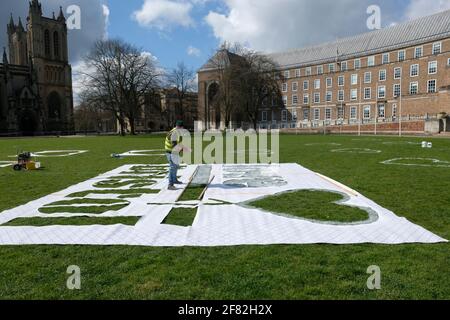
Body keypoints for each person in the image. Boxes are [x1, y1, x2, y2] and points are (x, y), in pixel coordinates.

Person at [165, 120, 184, 190]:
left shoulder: (176, 131)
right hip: (171, 153)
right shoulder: (174, 133)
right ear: (180, 127)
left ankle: (175, 180)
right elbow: (174, 145)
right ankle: (170, 185)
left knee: (175, 166)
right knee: (172, 167)